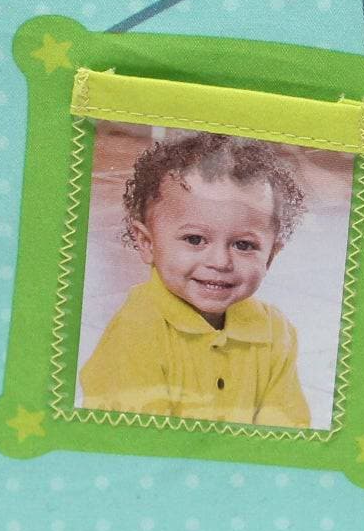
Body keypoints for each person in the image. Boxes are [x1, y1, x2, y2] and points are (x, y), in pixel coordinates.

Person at [80, 131, 313, 427]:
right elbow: (137, 443)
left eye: (244, 245)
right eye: (195, 239)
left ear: (270, 256)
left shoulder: (275, 331)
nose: (220, 262)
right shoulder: (135, 333)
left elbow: (287, 432)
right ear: (147, 243)